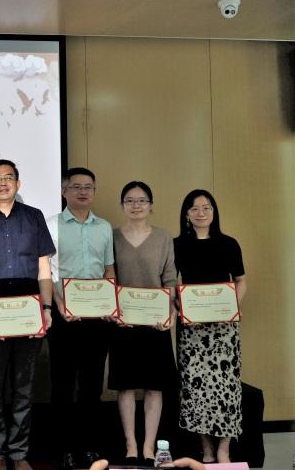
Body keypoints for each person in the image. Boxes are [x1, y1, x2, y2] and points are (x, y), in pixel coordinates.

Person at [0, 159, 56, 470]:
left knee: (24, 385)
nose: (3, 182)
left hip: (30, 305)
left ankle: (18, 453)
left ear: (18, 183)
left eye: (8, 177)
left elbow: (44, 267)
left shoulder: (34, 216)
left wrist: (46, 308)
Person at [45, 168, 115, 470]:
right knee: (63, 385)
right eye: (76, 186)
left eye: (88, 187)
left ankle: (88, 446)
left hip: (98, 317)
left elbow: (109, 269)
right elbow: (46, 271)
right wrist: (58, 303)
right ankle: (64, 448)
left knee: (91, 385)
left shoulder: (105, 227)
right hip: (63, 316)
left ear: (94, 191)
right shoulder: (51, 225)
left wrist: (111, 302)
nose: (82, 191)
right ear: (65, 191)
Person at [174, 189, 247, 463]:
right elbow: (170, 284)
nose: (201, 213)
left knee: (227, 387)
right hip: (192, 329)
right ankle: (205, 447)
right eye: (194, 208)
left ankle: (224, 448)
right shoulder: (177, 245)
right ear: (186, 214)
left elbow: (241, 281)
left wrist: (232, 306)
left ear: (214, 212)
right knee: (195, 389)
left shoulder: (229, 244)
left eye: (206, 207)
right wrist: (180, 308)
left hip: (224, 330)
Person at [108, 181, 176, 466]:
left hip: (155, 324)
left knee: (154, 387)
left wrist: (170, 313)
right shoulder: (111, 236)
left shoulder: (163, 237)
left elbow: (170, 279)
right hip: (123, 324)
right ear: (122, 205)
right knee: (125, 387)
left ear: (151, 205)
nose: (136, 205)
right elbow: (107, 278)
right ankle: (131, 445)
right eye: (130, 200)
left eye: (142, 200)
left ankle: (149, 446)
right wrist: (111, 309)